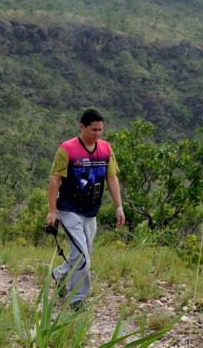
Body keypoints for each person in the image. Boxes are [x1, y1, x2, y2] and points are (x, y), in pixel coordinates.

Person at [46, 109, 125, 310]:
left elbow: (112, 178)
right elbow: (55, 179)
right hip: (68, 208)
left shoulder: (106, 149)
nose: (97, 134)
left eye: (100, 130)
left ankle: (60, 274)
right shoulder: (67, 149)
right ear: (82, 126)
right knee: (82, 255)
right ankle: (77, 299)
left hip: (91, 211)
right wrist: (52, 210)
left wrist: (119, 207)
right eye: (93, 130)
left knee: (83, 253)